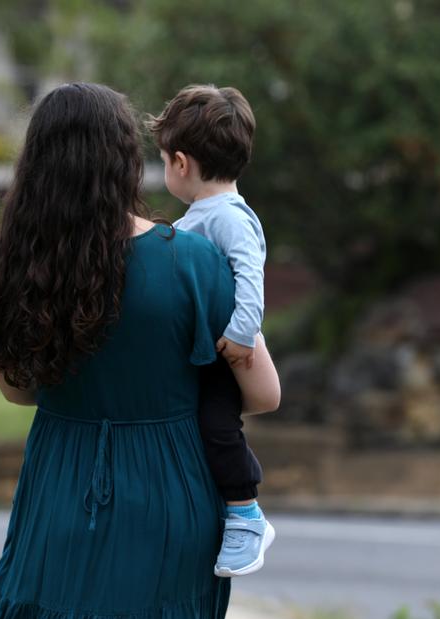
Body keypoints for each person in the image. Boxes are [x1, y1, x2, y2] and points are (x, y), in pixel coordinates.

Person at [0, 82, 281, 619]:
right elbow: (263, 394)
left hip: (65, 487)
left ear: (36, 166)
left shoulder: (11, 271)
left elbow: (20, 393)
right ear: (127, 161)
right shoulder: (190, 260)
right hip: (173, 492)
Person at [149, 84, 275, 577]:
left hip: (222, 352)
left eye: (162, 161)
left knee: (219, 428)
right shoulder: (200, 217)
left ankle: (246, 513)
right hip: (199, 350)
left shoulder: (228, 217)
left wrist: (243, 335)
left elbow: (250, 276)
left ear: (181, 163)